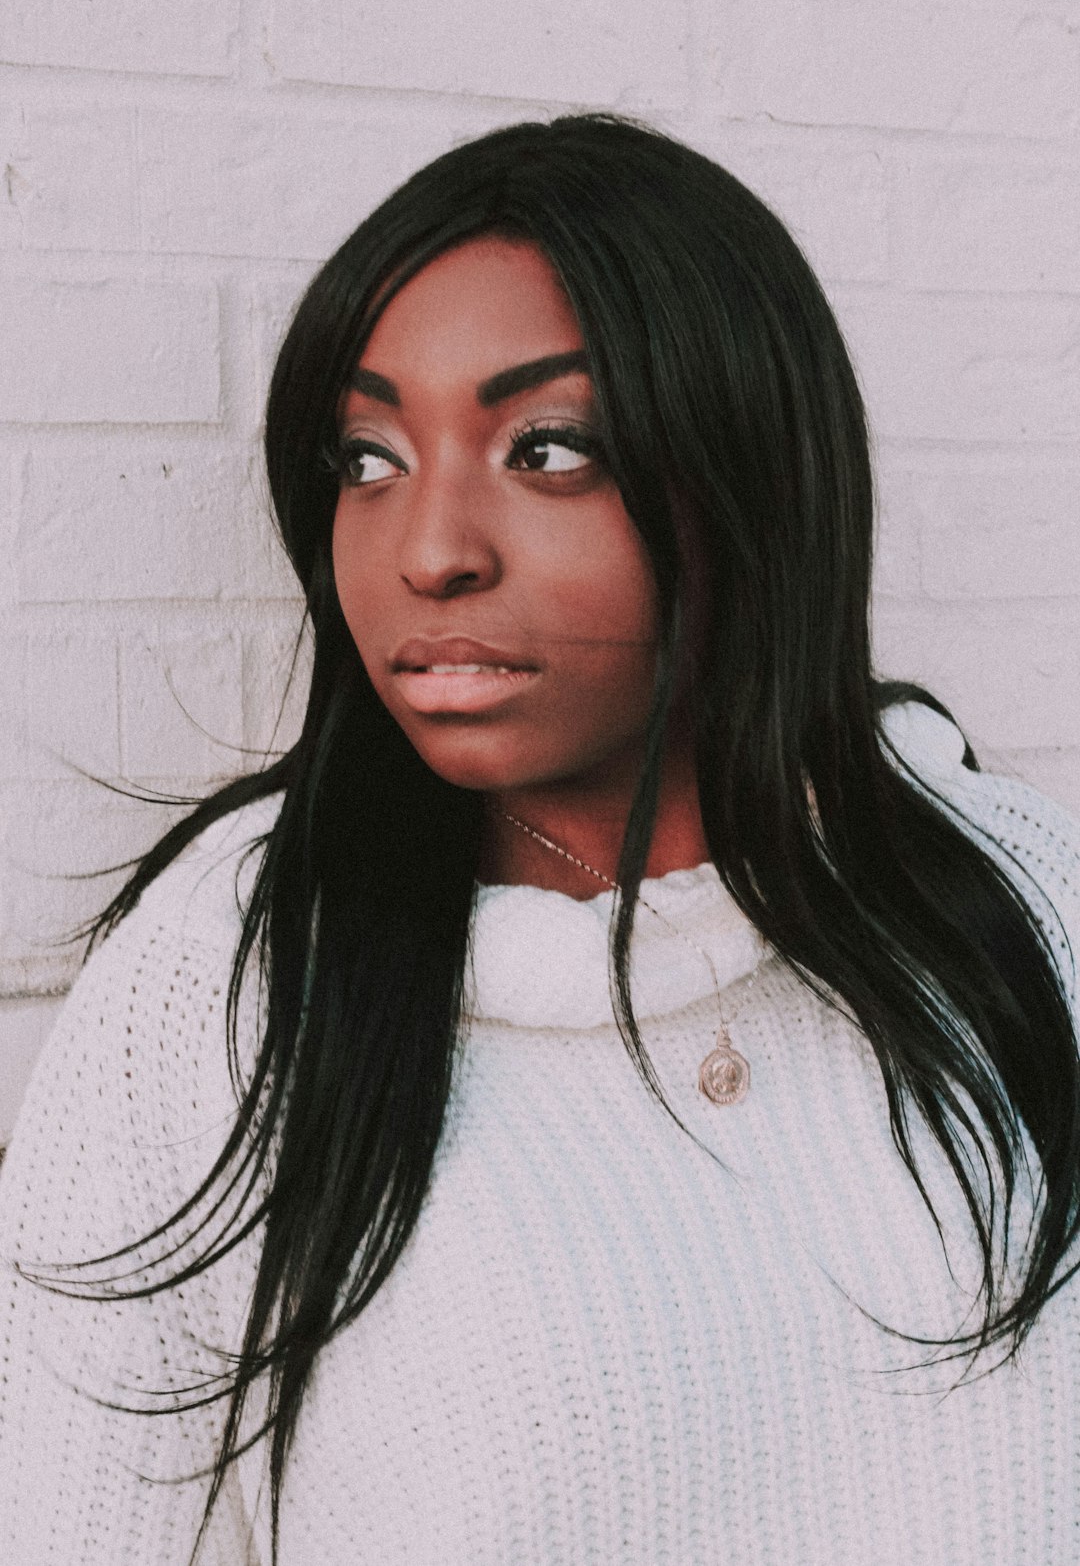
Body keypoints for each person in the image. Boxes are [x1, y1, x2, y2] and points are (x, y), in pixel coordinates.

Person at [1, 111, 1078, 1566]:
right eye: (367, 458)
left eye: (548, 448)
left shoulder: (1030, 897)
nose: (430, 549)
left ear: (749, 475)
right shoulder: (226, 985)